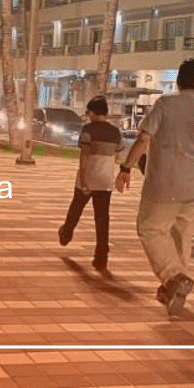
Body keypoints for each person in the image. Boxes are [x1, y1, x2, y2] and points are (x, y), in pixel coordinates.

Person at [115, 59, 194, 316]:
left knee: (150, 228)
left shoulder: (165, 104)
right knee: (182, 234)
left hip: (163, 183)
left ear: (179, 79)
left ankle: (173, 276)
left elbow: (144, 138)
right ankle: (173, 288)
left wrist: (126, 168)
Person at [58, 97, 124, 272]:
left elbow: (84, 155)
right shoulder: (115, 132)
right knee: (102, 218)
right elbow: (117, 156)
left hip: (88, 178)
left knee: (76, 208)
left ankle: (66, 233)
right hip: (105, 180)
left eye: (88, 113)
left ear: (92, 113)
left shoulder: (87, 129)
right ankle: (101, 256)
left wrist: (84, 178)